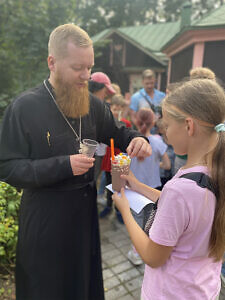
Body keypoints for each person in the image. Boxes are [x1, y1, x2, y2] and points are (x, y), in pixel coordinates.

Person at [0, 24, 152, 300]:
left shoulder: (94, 105)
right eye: (77, 68)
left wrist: (138, 139)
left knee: (81, 287)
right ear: (52, 62)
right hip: (45, 219)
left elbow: (118, 131)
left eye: (89, 68)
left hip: (83, 219)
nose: (86, 77)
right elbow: (7, 166)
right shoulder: (23, 108)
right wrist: (63, 165)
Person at [113, 79, 225, 299]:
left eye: (167, 124)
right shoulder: (212, 172)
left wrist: (125, 208)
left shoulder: (180, 190)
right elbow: (187, 209)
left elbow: (153, 257)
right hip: (203, 290)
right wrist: (137, 185)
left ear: (189, 126)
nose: (164, 130)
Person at [127, 108, 171, 265]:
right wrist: (154, 164)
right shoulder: (158, 142)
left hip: (133, 190)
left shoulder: (128, 141)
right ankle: (147, 248)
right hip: (153, 190)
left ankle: (136, 252)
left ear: (135, 121)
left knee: (136, 221)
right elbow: (167, 165)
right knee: (150, 221)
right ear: (153, 122)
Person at [88, 72, 116, 203]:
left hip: (98, 150)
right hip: (89, 152)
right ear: (97, 88)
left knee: (94, 177)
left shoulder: (102, 107)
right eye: (105, 91)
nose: (106, 95)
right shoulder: (84, 106)